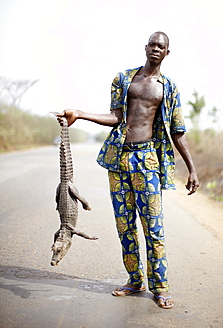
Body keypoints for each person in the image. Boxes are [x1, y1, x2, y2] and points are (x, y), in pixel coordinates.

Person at [57, 31, 199, 309]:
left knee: (153, 227)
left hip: (147, 161)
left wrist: (192, 169)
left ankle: (160, 286)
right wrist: (80, 113)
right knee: (125, 225)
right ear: (145, 48)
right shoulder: (123, 80)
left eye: (162, 46)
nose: (156, 49)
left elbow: (177, 131)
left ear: (167, 53)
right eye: (152, 44)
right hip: (119, 160)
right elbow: (116, 117)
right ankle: (135, 279)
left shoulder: (168, 88)